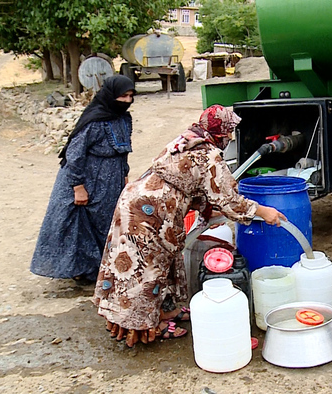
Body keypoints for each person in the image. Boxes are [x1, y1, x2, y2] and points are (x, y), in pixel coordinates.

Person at [93, 104, 287, 347]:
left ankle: (161, 312)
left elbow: (188, 182)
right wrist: (262, 211)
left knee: (138, 262)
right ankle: (147, 325)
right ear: (219, 132)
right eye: (227, 132)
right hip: (153, 212)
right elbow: (229, 200)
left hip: (133, 200)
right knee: (147, 268)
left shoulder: (186, 139)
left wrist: (205, 206)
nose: (228, 137)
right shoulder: (208, 154)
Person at [30, 75, 136, 284]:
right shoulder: (94, 121)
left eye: (131, 96)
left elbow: (123, 152)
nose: (126, 101)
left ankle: (98, 268)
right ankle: (79, 270)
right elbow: (75, 154)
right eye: (122, 96)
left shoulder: (124, 120)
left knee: (105, 224)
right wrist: (78, 186)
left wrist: (124, 176)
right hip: (86, 179)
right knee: (77, 224)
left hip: (110, 181)